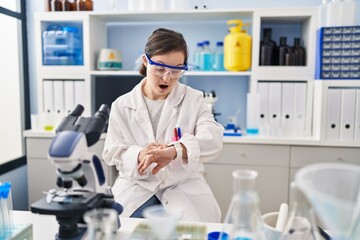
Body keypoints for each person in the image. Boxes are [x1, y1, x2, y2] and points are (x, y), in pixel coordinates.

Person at [102, 28, 224, 223]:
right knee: (117, 229)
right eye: (160, 68)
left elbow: (213, 139)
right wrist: (139, 155)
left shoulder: (193, 99)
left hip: (183, 188)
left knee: (194, 232)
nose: (167, 78)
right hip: (137, 187)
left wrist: (177, 150)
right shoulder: (122, 104)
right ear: (145, 61)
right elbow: (112, 151)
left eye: (176, 70)